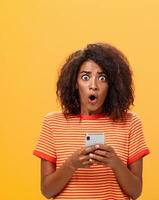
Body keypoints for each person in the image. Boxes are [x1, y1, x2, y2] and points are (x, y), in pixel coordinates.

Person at [33, 43, 150, 199]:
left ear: (112, 85)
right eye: (85, 77)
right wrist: (72, 164)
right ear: (75, 83)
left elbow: (136, 192)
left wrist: (115, 163)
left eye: (102, 78)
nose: (93, 86)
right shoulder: (52, 123)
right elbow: (47, 191)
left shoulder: (130, 123)